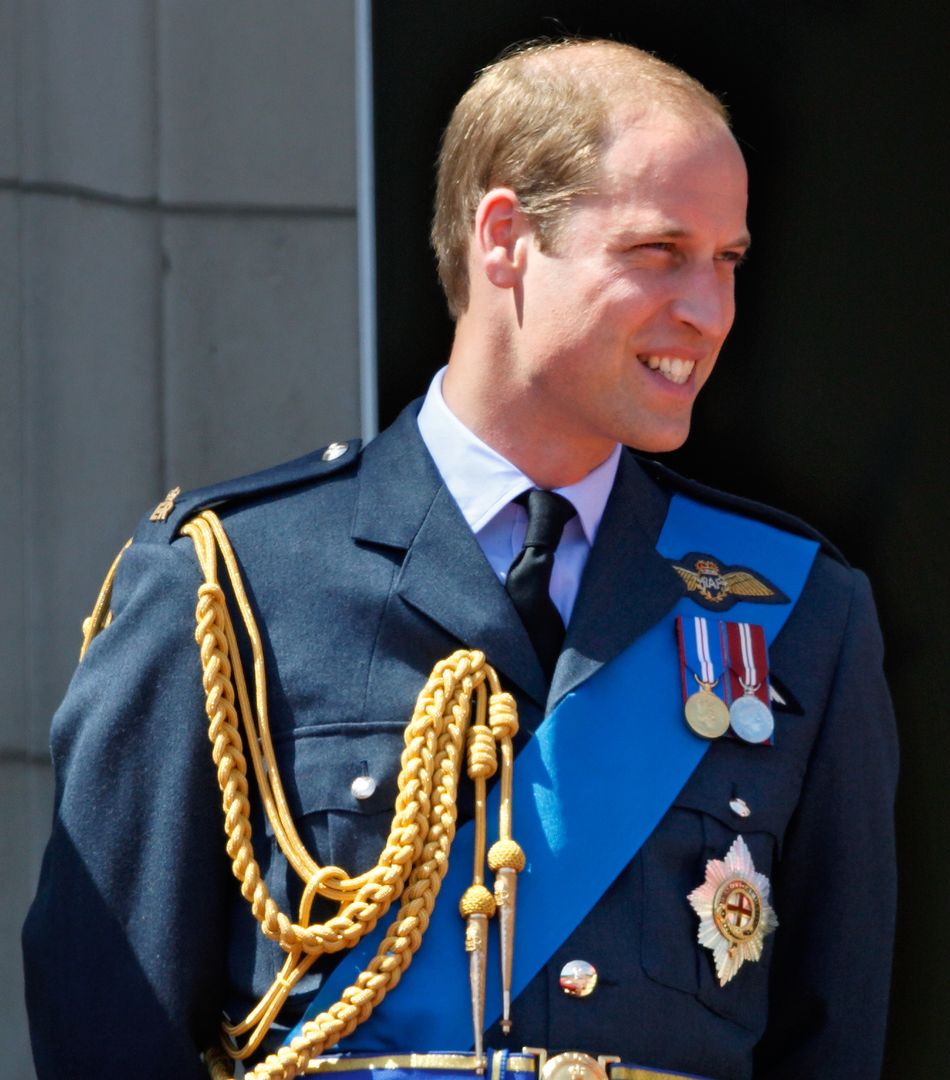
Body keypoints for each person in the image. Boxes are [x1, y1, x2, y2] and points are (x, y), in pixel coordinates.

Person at [23, 38, 898, 1080]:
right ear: (505, 238)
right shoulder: (226, 589)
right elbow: (105, 1026)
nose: (710, 312)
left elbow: (832, 1038)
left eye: (729, 259)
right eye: (660, 250)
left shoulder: (800, 614)